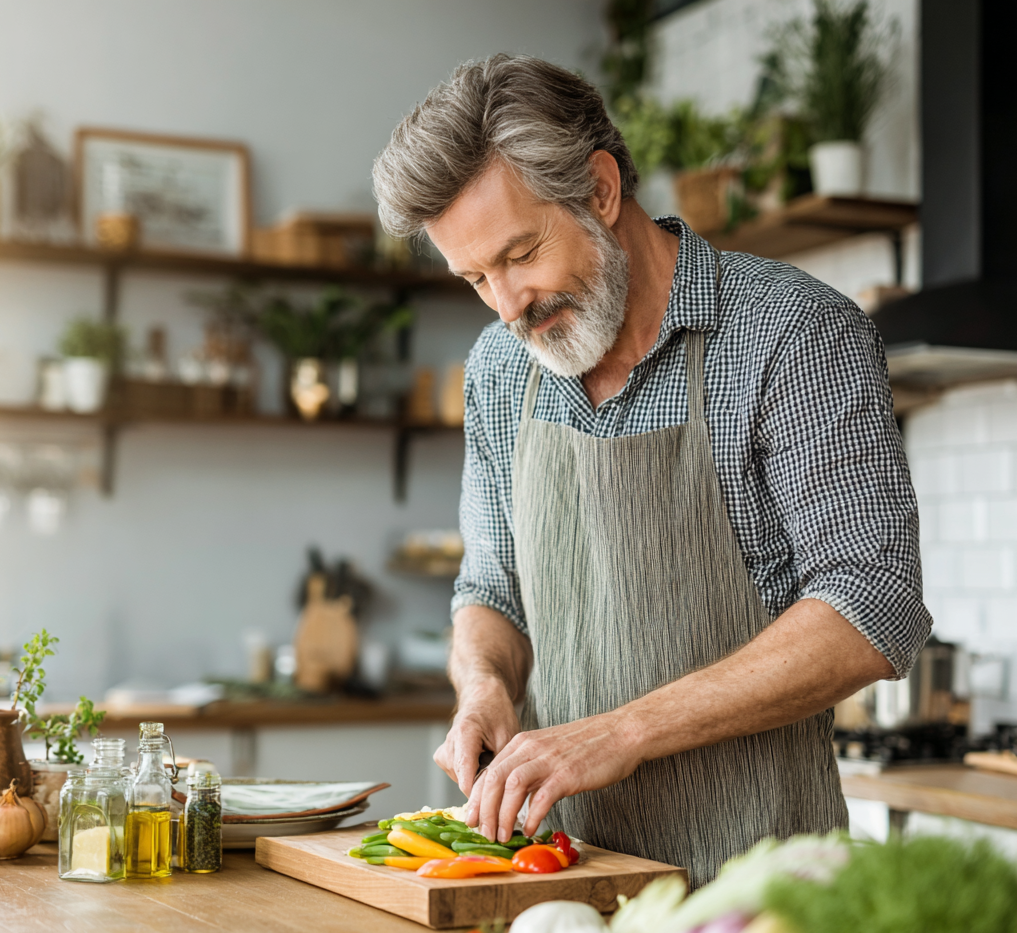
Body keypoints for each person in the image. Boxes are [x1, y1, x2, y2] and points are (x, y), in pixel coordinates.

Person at [372, 54, 930, 886]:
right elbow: (492, 589)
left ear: (599, 189)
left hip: (756, 892)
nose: (506, 304)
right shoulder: (499, 369)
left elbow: (869, 605)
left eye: (520, 254)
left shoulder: (791, 334)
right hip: (552, 879)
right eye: (475, 277)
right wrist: (484, 685)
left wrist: (621, 732)